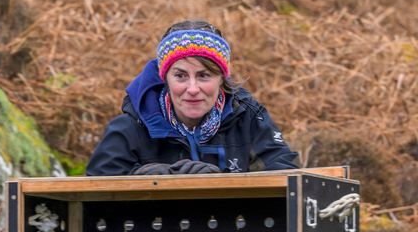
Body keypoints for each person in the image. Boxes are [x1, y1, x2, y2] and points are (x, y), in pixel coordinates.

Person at [86, 20, 299, 176]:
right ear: (165, 79)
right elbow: (96, 189)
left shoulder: (250, 119)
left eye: (204, 75)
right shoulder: (130, 126)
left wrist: (220, 182)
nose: (193, 89)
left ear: (222, 79)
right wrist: (150, 179)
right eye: (180, 76)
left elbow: (286, 175)